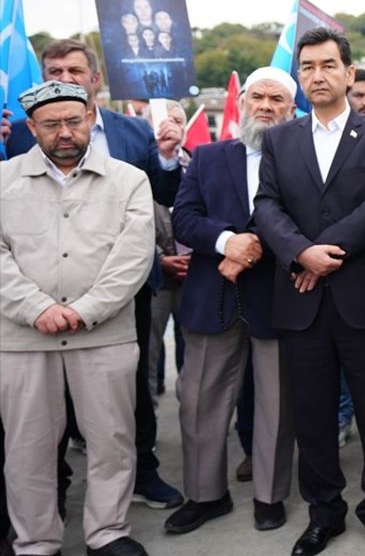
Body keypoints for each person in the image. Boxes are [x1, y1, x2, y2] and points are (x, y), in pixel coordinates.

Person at [6, 39, 185, 510]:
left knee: (129, 398)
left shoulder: (132, 132)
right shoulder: (20, 141)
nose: (63, 78)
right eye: (53, 70)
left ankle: (142, 477)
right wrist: (38, 305)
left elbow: (161, 197)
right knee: (41, 421)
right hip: (32, 310)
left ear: (95, 82)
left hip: (117, 300)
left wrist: (167, 155)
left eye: (73, 70)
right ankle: (55, 494)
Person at [253, 28, 365, 556]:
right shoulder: (279, 139)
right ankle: (325, 513)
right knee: (313, 416)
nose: (318, 75)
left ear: (348, 71)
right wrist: (301, 253)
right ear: (300, 76)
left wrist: (321, 254)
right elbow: (266, 207)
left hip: (363, 298)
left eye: (328, 65)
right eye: (308, 66)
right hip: (301, 300)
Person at [0, 81, 155, 556]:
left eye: (73, 121)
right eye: (51, 125)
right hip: (23, 339)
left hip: (103, 335)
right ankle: (36, 541)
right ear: (33, 128)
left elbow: (133, 257)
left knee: (112, 439)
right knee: (28, 447)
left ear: (90, 118)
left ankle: (108, 533)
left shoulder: (129, 179)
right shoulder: (3, 180)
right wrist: (38, 308)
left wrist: (83, 311)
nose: (64, 133)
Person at [164, 67, 297, 535]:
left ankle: (270, 495)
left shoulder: (302, 161)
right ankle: (205, 495)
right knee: (198, 402)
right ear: (242, 104)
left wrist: (250, 248)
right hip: (212, 296)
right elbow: (184, 218)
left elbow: (308, 221)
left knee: (277, 407)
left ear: (291, 109)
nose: (265, 105)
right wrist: (225, 243)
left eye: (276, 99)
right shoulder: (207, 157)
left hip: (277, 300)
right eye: (257, 96)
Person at [142, 100, 190, 400]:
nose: (171, 125)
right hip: (154, 280)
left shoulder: (199, 163)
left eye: (178, 121)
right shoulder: (137, 167)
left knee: (196, 354)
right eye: (163, 120)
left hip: (193, 276)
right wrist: (159, 259)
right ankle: (147, 426)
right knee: (147, 353)